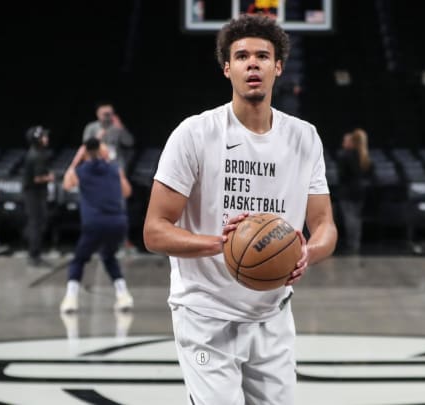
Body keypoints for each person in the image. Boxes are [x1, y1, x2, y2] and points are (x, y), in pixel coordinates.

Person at [143, 15, 337, 405]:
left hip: (272, 313)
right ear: (227, 68)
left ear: (277, 67)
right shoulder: (194, 134)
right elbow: (154, 230)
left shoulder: (304, 137)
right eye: (242, 56)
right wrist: (220, 244)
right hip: (205, 314)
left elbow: (325, 225)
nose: (253, 63)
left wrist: (307, 252)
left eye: (263, 56)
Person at [59, 137, 134, 313]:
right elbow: (127, 191)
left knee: (79, 260)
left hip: (95, 223)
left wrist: (77, 159)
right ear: (102, 152)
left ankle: (71, 299)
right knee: (109, 257)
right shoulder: (115, 169)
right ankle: (124, 296)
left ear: (85, 152)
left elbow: (67, 184)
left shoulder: (81, 170)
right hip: (118, 223)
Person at [22, 125, 55, 268]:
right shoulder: (37, 156)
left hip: (33, 194)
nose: (46, 138)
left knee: (37, 223)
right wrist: (50, 177)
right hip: (34, 194)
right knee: (36, 224)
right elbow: (37, 179)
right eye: (44, 136)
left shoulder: (36, 152)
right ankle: (34, 255)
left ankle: (33, 252)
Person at [336, 129, 372, 255]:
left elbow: (341, 176)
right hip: (360, 191)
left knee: (350, 218)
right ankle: (355, 243)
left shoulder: (344, 155)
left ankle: (352, 244)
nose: (343, 143)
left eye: (346, 141)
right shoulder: (364, 155)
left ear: (352, 142)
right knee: (357, 218)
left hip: (347, 192)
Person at [82, 101, 135, 171]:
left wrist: (121, 128)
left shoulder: (117, 127)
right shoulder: (91, 127)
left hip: (115, 163)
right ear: (97, 114)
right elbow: (85, 147)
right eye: (104, 114)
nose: (107, 116)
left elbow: (130, 143)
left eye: (109, 113)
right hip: (96, 162)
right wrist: (97, 137)